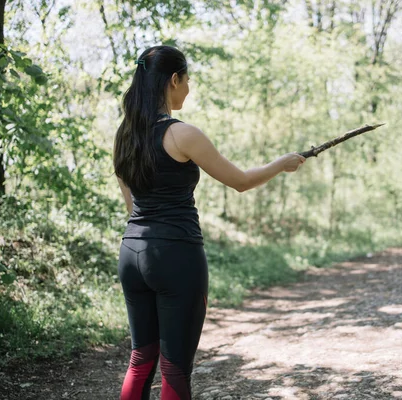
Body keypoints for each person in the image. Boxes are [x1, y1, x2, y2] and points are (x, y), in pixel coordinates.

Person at [113, 45, 306, 400]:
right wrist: (281, 163)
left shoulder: (125, 135)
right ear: (174, 80)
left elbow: (132, 206)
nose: (188, 88)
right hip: (176, 256)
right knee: (174, 367)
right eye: (187, 80)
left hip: (132, 253)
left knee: (140, 359)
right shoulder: (181, 134)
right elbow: (241, 181)